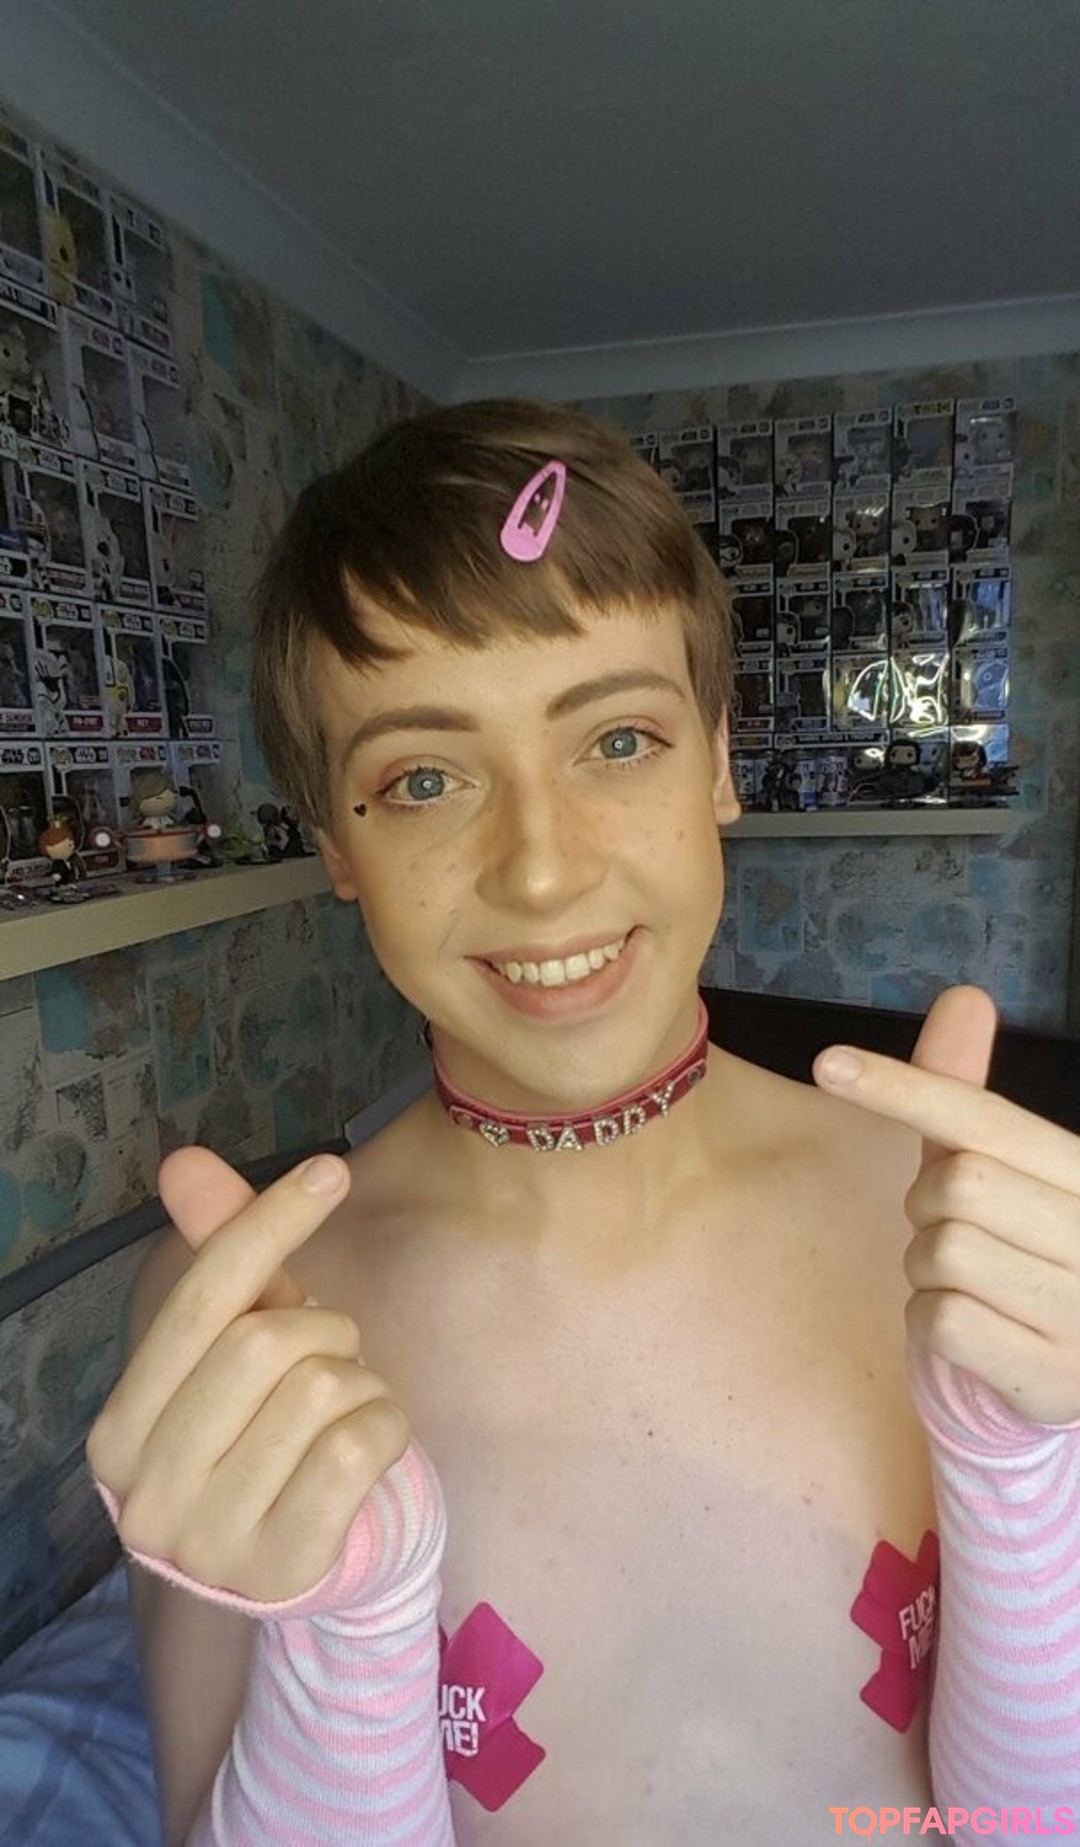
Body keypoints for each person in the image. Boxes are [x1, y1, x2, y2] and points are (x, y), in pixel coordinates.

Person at [87, 399, 1080, 1846]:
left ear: (718, 761)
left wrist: (1022, 1475)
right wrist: (346, 1638)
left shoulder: (958, 1232)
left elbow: (1023, 1825)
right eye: (424, 779)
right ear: (337, 842)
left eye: (617, 738)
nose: (541, 872)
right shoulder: (245, 1317)